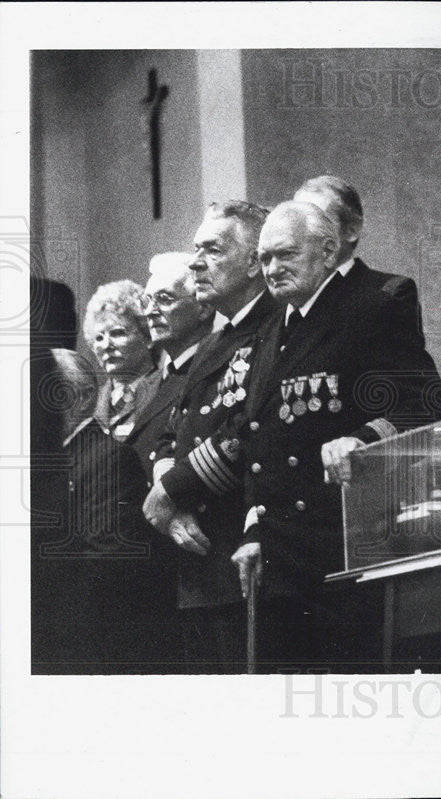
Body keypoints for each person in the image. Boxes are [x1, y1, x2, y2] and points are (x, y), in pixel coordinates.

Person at [218, 201, 441, 672]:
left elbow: (428, 407)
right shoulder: (270, 329)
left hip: (347, 546)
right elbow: (264, 438)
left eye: (285, 254)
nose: (272, 269)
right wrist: (257, 529)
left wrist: (363, 437)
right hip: (281, 556)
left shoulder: (372, 304)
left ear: (328, 251)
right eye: (264, 259)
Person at [143, 200, 278, 673]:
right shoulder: (215, 343)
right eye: (195, 249)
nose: (196, 261)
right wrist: (168, 492)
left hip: (242, 553)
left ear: (254, 262)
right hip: (199, 558)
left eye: (212, 250)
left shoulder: (275, 328)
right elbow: (170, 433)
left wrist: (173, 489)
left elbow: (248, 428)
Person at [34, 349, 179, 674]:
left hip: (87, 649)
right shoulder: (52, 462)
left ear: (82, 396)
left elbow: (108, 565)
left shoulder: (108, 459)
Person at [127, 251, 215, 486]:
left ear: (204, 308)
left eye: (164, 299)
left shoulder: (209, 375)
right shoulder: (153, 381)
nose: (150, 311)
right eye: (146, 301)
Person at [293, 174, 424, 330]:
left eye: (316, 222)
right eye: (295, 223)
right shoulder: (284, 293)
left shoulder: (390, 292)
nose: (300, 234)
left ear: (352, 230)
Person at [83, 279, 159, 442]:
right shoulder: (90, 403)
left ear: (148, 337)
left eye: (117, 333)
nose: (105, 345)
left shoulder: (166, 388)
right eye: (98, 337)